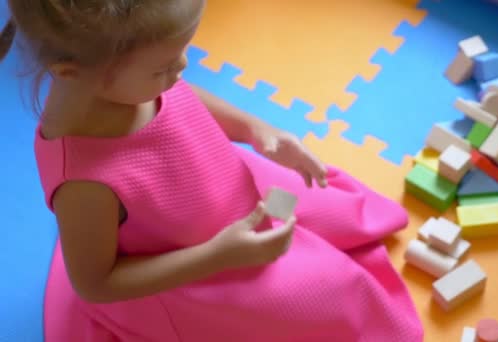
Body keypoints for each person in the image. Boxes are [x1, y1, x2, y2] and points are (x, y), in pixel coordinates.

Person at [0, 1, 423, 340]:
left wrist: (258, 130)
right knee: (335, 291)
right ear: (73, 73)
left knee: (334, 204)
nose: (181, 67)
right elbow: (96, 284)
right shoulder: (83, 182)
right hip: (194, 261)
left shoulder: (127, 81)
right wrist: (221, 254)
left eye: (180, 52)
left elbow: (182, 97)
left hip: (226, 181)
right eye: (163, 67)